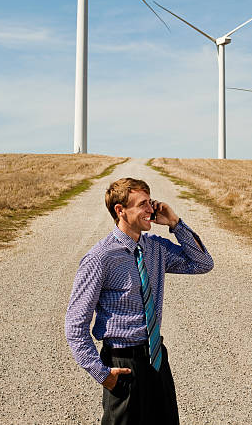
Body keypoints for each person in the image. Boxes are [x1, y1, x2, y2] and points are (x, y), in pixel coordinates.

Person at [65, 177, 214, 424]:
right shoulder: (99, 258)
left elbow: (202, 263)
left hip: (157, 359)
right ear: (120, 211)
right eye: (143, 204)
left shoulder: (156, 248)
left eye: (150, 202)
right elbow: (75, 325)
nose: (151, 209)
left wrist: (176, 224)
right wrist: (102, 374)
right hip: (123, 364)